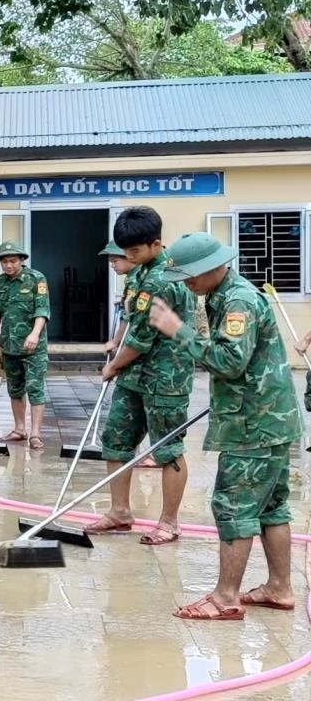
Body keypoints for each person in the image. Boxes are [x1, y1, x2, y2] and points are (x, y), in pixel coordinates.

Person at [149, 231, 304, 620]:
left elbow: (229, 361)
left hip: (254, 424)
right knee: (272, 505)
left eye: (190, 276)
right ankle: (279, 587)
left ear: (210, 268)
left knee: (233, 506)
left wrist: (178, 330)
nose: (187, 284)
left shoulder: (238, 302)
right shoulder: (224, 295)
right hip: (269, 419)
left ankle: (224, 597)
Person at [85, 207, 195, 545]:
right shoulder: (143, 274)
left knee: (167, 450)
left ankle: (169, 522)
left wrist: (114, 364)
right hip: (135, 377)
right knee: (116, 439)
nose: (127, 257)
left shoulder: (162, 278)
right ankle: (120, 511)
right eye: (125, 251)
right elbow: (132, 323)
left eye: (134, 251)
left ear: (156, 244)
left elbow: (142, 338)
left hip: (165, 377)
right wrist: (118, 354)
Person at [0, 241, 50, 449]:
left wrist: (34, 334)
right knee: (15, 388)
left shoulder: (36, 279)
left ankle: (36, 433)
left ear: (22, 260)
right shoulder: (0, 283)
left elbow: (42, 310)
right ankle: (20, 429)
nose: (8, 266)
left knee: (35, 388)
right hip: (10, 345)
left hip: (33, 347)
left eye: (13, 261)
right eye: (4, 262)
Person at [100, 239, 157, 469]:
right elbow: (127, 317)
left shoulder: (144, 281)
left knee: (151, 413)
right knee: (129, 419)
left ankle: (153, 453)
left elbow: (138, 327)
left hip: (149, 363)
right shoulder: (132, 282)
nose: (113, 265)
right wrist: (115, 342)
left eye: (115, 260)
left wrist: (114, 363)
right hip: (132, 358)